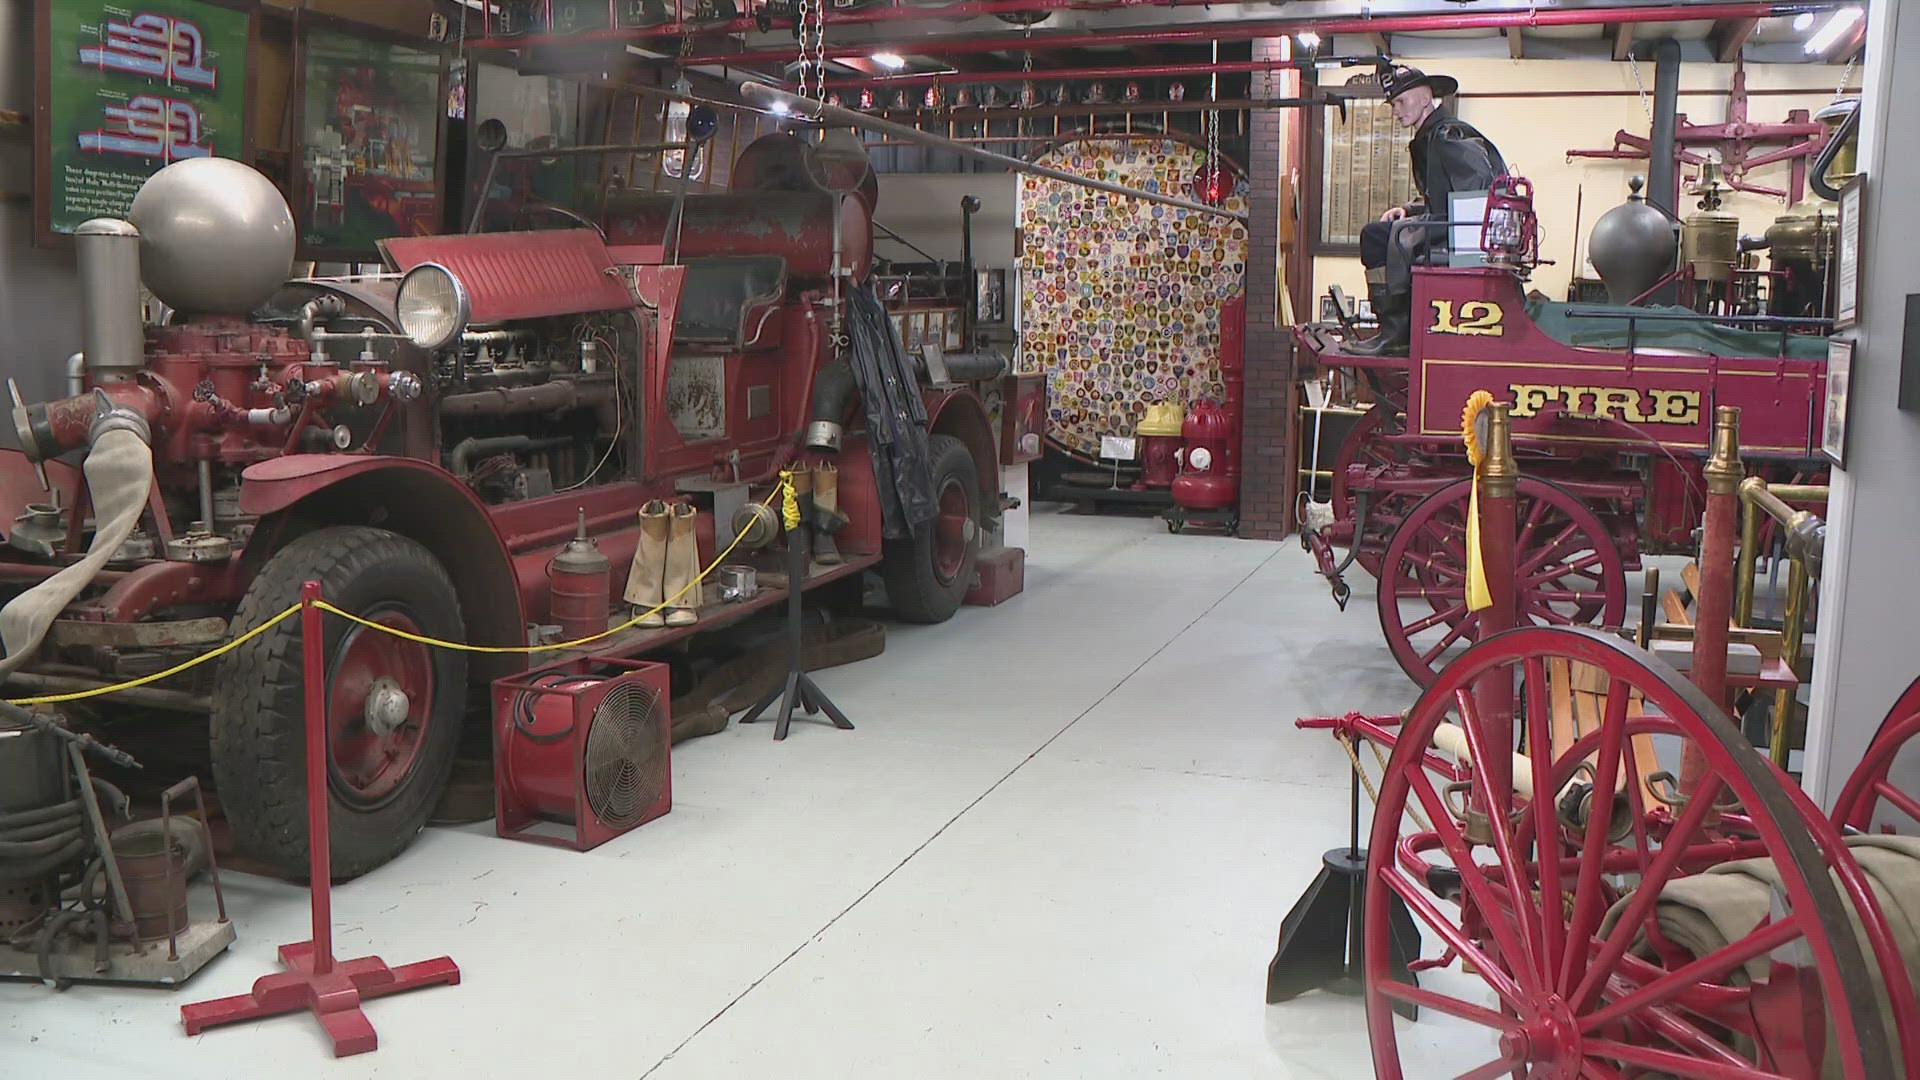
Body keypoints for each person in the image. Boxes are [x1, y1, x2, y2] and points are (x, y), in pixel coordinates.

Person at [1350, 66, 1508, 357]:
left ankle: (1396, 332)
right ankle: (1396, 329)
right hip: (1456, 226)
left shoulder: (1447, 135)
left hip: (1466, 235)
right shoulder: (1435, 133)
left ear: (1425, 98)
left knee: (1374, 236)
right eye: (1393, 104)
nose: (1396, 111)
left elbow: (1478, 190)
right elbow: (1446, 196)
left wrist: (1427, 222)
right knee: (1386, 233)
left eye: (1401, 101)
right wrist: (1409, 210)